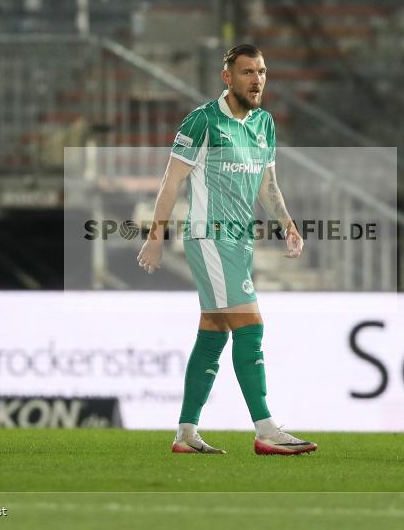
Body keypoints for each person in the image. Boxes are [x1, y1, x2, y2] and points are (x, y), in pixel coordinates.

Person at [136, 44, 317, 456]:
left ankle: (185, 433)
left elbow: (268, 185)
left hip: (240, 239)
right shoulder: (203, 122)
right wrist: (155, 236)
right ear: (228, 78)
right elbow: (171, 182)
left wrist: (287, 224)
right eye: (248, 72)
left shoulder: (264, 124)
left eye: (262, 72)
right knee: (250, 325)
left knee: (214, 333)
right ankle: (266, 428)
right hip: (209, 237)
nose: (257, 80)